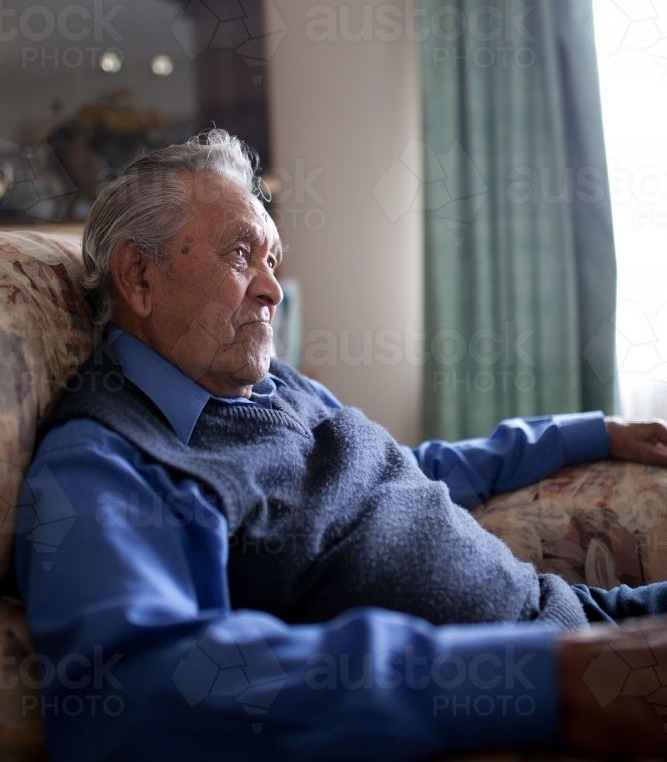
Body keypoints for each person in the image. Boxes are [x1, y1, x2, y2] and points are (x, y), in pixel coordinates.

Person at [15, 131, 667, 762]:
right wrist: (539, 682)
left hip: (584, 621)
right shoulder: (108, 458)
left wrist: (582, 432)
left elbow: (400, 472)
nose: (272, 288)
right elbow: (134, 693)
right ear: (138, 277)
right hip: (539, 703)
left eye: (271, 258)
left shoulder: (270, 388)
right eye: (241, 254)